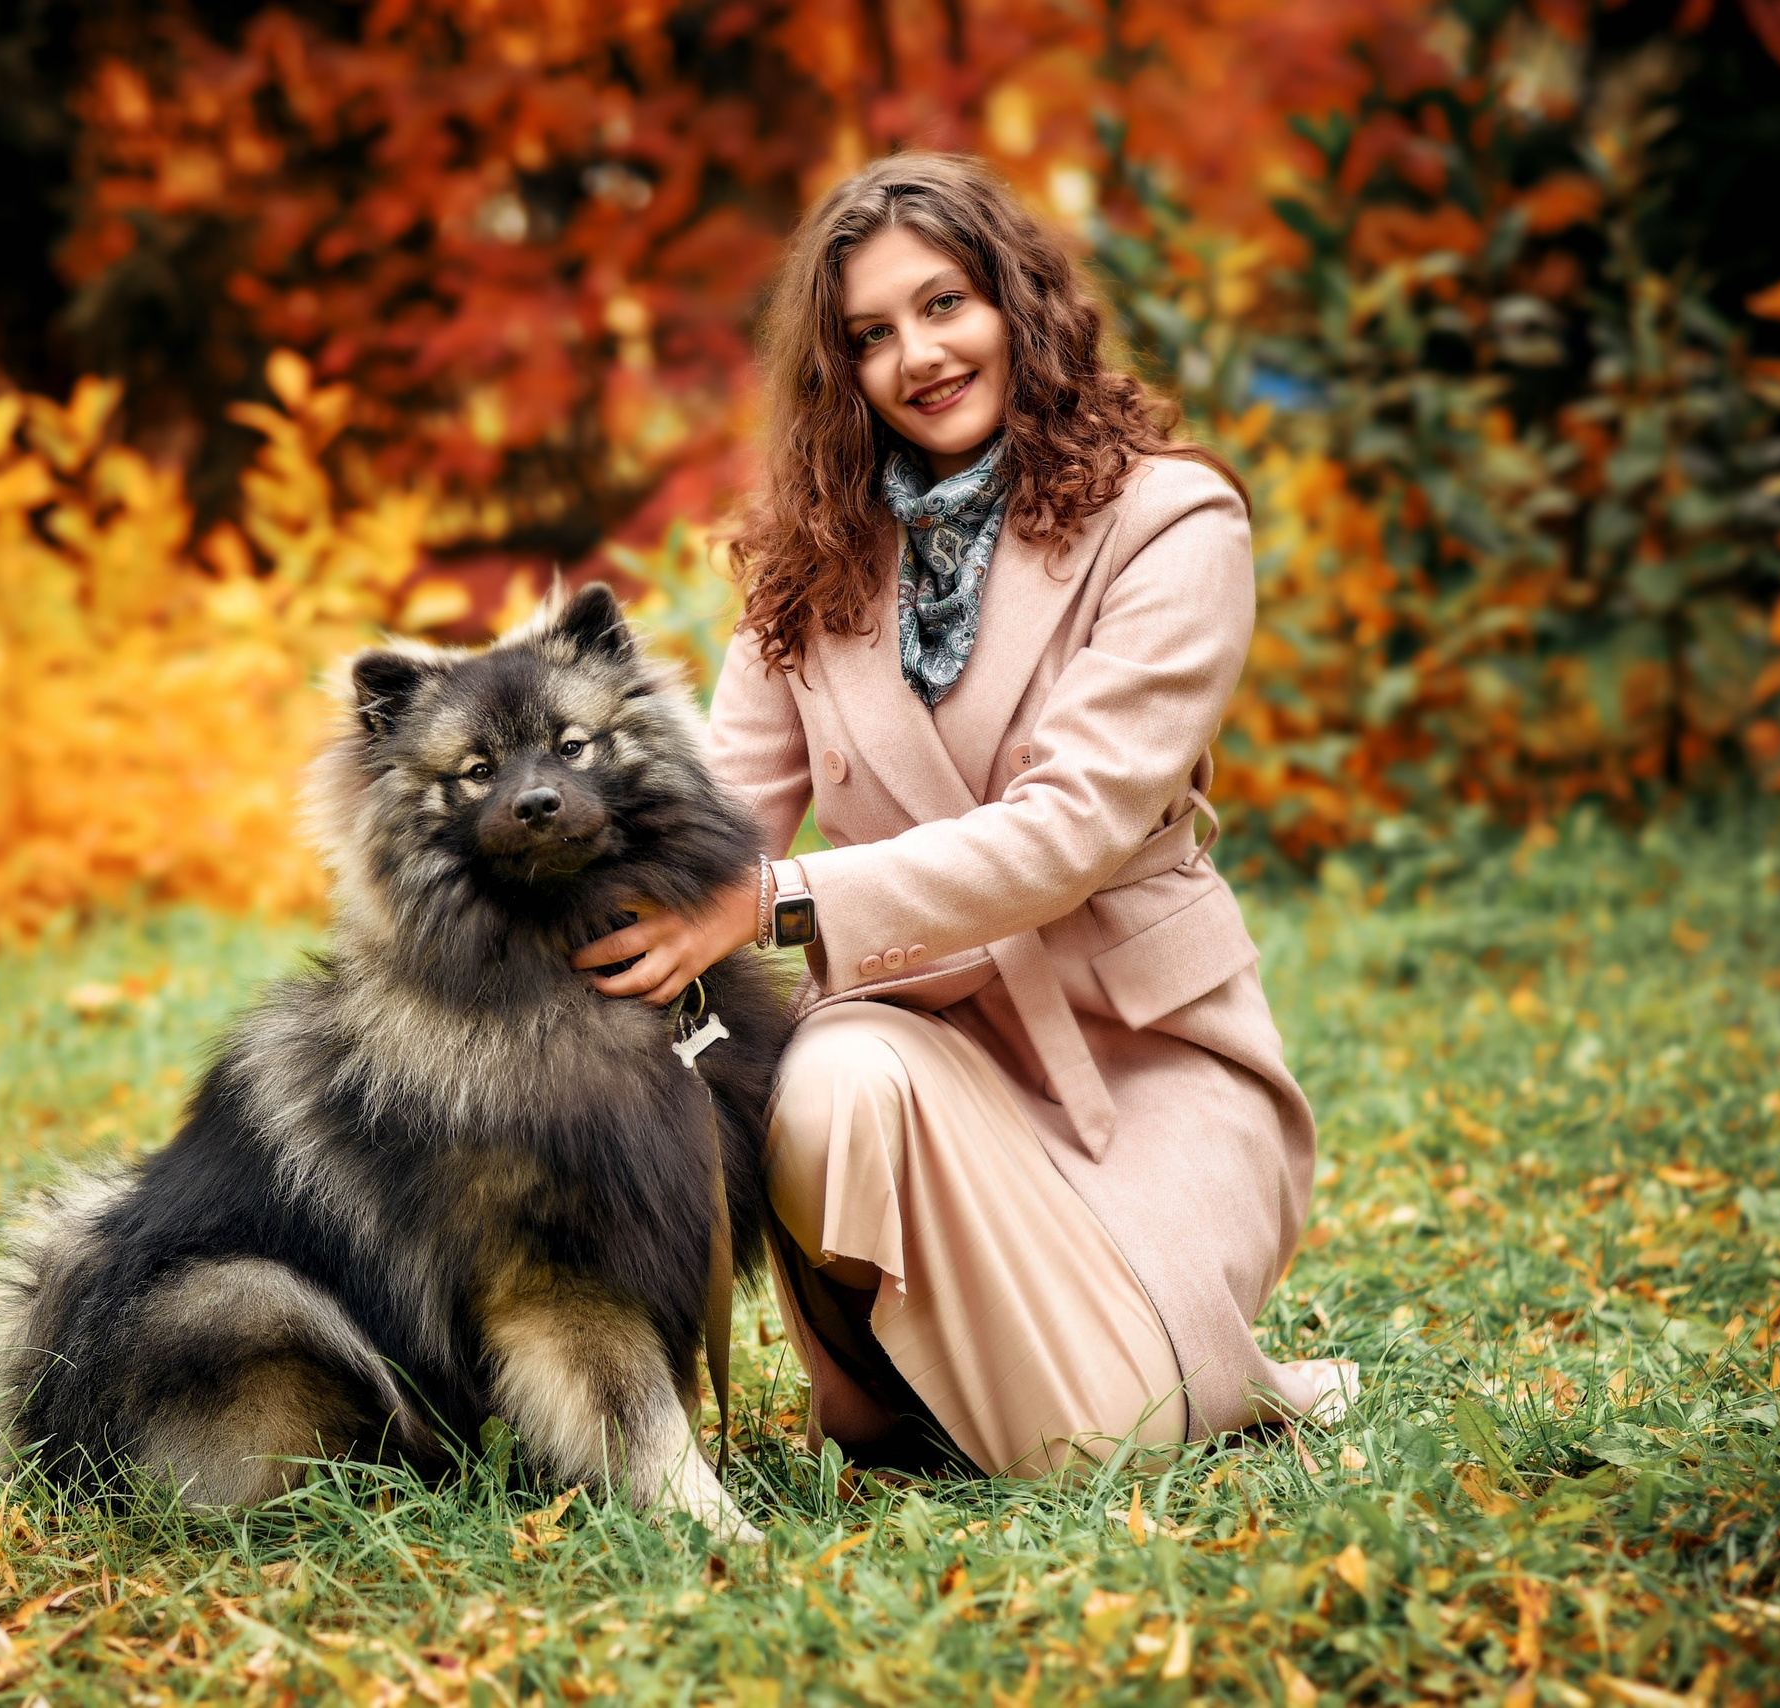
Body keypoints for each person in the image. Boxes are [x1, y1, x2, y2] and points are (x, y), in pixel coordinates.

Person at [572, 152, 1353, 1478]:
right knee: (833, 1078)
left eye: (945, 306)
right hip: (919, 1054)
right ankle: (945, 1380)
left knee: (1101, 1448)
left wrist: (777, 904)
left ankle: (1129, 1378)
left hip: (1138, 1063)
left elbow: (1073, 825)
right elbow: (718, 830)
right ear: (839, 373)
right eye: (870, 336)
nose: (916, 356)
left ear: (1018, 303)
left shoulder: (1170, 522)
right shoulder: (808, 570)